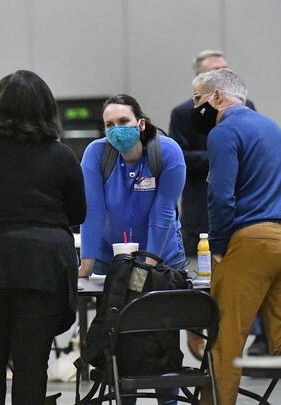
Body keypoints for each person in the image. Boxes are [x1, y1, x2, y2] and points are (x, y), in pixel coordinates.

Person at [0, 70, 86, 405]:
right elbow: (78, 214)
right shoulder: (62, 156)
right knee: (31, 363)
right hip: (43, 269)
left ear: (0, 108)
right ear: (46, 108)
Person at [191, 68, 281, 405]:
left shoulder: (224, 131)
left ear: (218, 96)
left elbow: (221, 196)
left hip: (253, 241)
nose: (196, 108)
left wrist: (221, 246)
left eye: (198, 99)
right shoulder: (272, 127)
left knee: (226, 341)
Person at [79, 94, 186, 405]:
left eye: (123, 122)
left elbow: (164, 211)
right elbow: (93, 211)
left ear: (141, 123)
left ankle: (168, 399)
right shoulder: (96, 154)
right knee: (120, 336)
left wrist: (147, 265)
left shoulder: (167, 152)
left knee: (162, 333)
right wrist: (86, 264)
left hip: (163, 259)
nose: (116, 130)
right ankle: (125, 399)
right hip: (113, 261)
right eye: (108, 125)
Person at [169, 50, 256, 257]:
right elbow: (180, 157)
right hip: (199, 206)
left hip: (240, 204)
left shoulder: (246, 106)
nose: (223, 73)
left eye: (225, 69)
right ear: (200, 78)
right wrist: (220, 156)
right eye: (216, 70)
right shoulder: (184, 112)